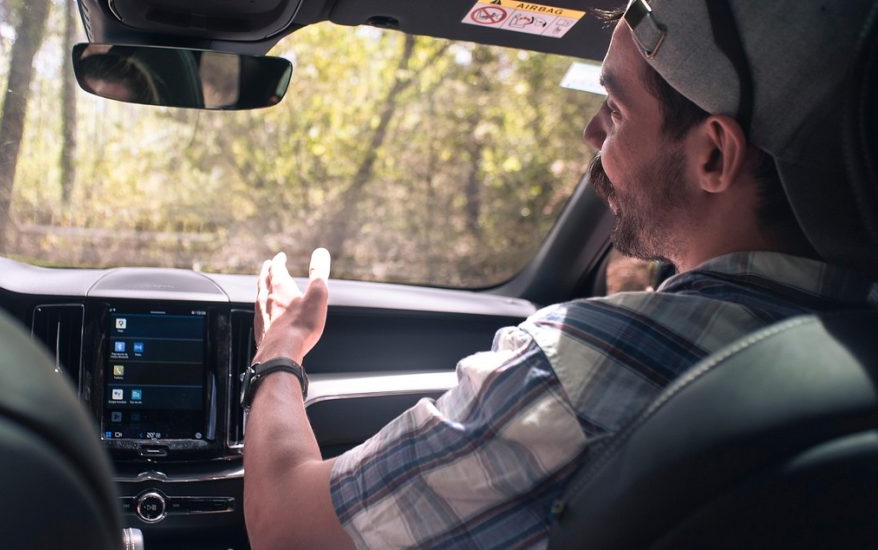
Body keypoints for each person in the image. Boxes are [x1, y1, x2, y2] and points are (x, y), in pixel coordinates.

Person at [240, 1, 878, 548]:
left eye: (616, 110)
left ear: (713, 154)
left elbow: (286, 527)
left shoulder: (574, 370)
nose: (591, 131)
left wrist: (279, 353)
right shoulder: (858, 344)